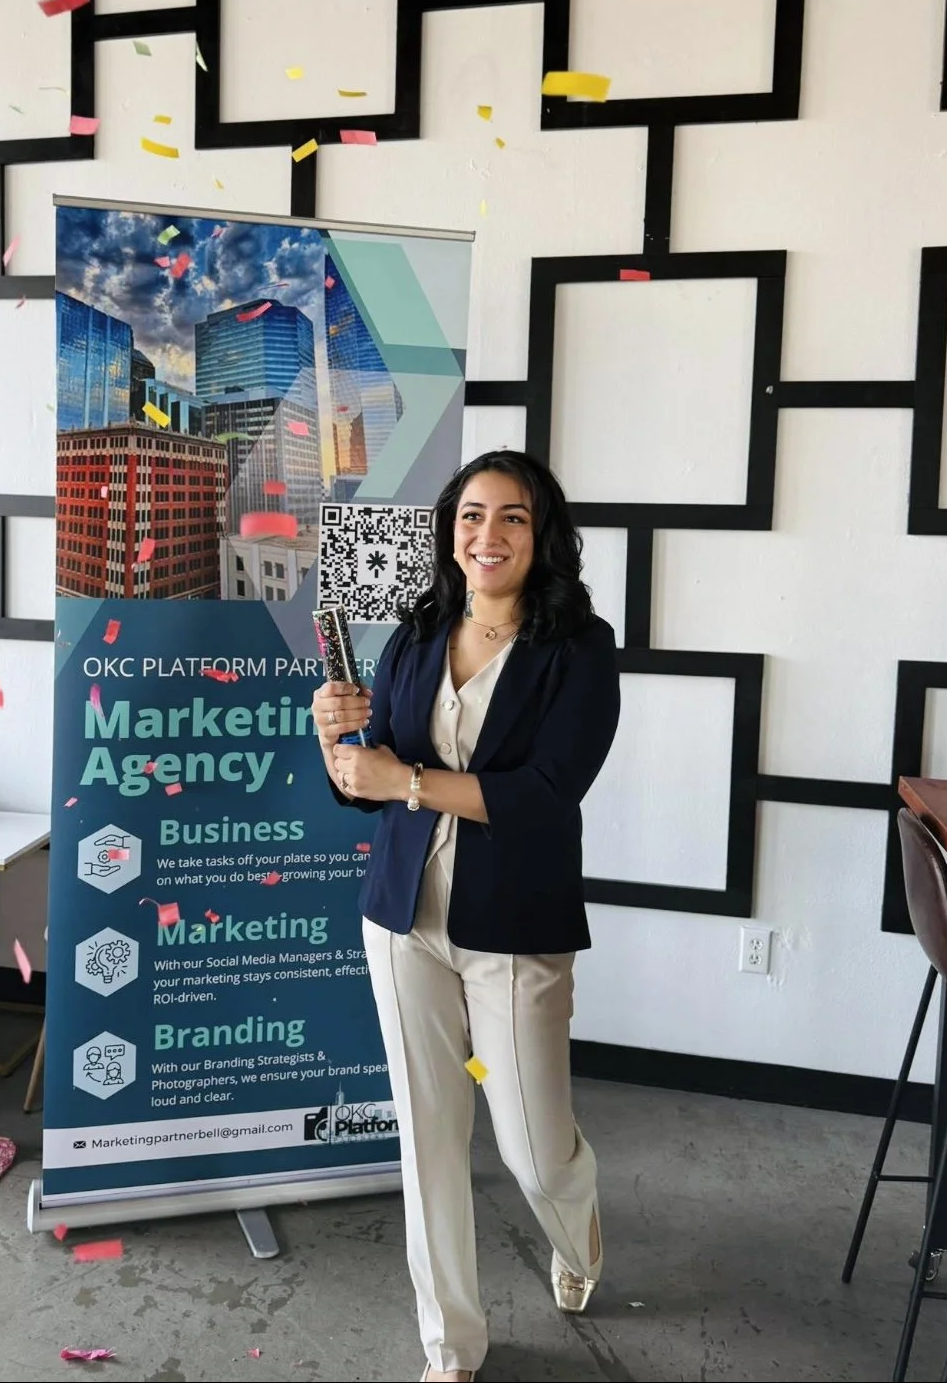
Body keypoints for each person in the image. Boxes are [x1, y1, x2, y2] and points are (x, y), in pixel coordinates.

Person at [311, 449, 621, 1383]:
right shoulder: (417, 633)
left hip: (513, 927)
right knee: (429, 1135)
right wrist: (335, 738)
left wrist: (403, 779)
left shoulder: (579, 648)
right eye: (472, 516)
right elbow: (367, 783)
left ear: (541, 533)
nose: (488, 535)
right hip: (401, 918)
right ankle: (449, 1344)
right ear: (451, 531)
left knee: (532, 1149)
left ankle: (576, 1233)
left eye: (511, 517)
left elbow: (546, 796)